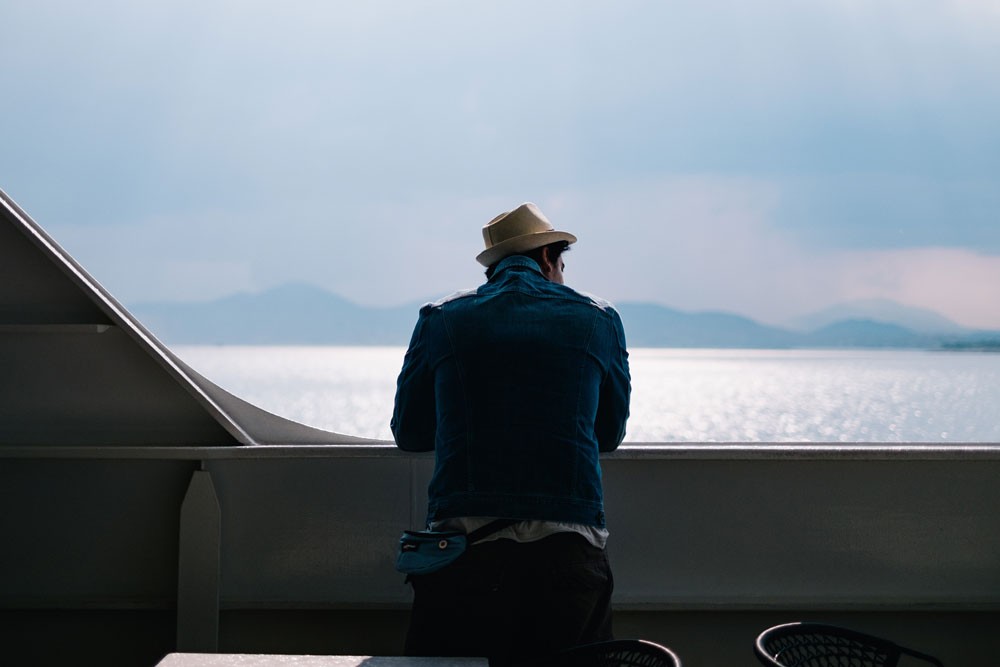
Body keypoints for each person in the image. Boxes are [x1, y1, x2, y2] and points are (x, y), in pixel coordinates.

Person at [391, 202, 631, 664]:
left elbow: (410, 432)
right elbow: (609, 434)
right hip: (568, 554)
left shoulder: (440, 318)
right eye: (562, 264)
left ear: (493, 267)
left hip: (463, 555)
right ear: (547, 259)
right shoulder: (599, 319)